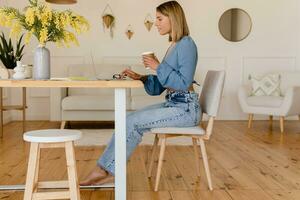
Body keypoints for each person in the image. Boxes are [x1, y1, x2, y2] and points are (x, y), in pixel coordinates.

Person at [80, 0, 201, 186]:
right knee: (129, 118)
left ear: (173, 18)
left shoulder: (187, 44)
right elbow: (160, 87)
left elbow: (184, 83)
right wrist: (141, 77)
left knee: (132, 122)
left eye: (160, 18)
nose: (156, 23)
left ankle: (106, 170)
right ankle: (107, 169)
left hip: (186, 109)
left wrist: (158, 66)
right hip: (175, 104)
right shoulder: (174, 46)